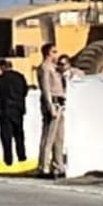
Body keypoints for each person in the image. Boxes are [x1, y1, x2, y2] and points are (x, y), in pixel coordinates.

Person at [36, 43, 66, 178]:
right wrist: (50, 106)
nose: (56, 54)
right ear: (48, 53)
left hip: (60, 102)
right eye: (54, 51)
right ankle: (44, 166)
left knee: (59, 138)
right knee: (48, 136)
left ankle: (58, 165)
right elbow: (46, 88)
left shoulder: (55, 68)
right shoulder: (45, 68)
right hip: (52, 102)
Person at [0, 58, 29, 166]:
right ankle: (22, 157)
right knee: (19, 135)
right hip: (18, 110)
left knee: (6, 137)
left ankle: (8, 160)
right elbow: (25, 91)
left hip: (4, 111)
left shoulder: (0, 79)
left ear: (3, 67)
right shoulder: (20, 77)